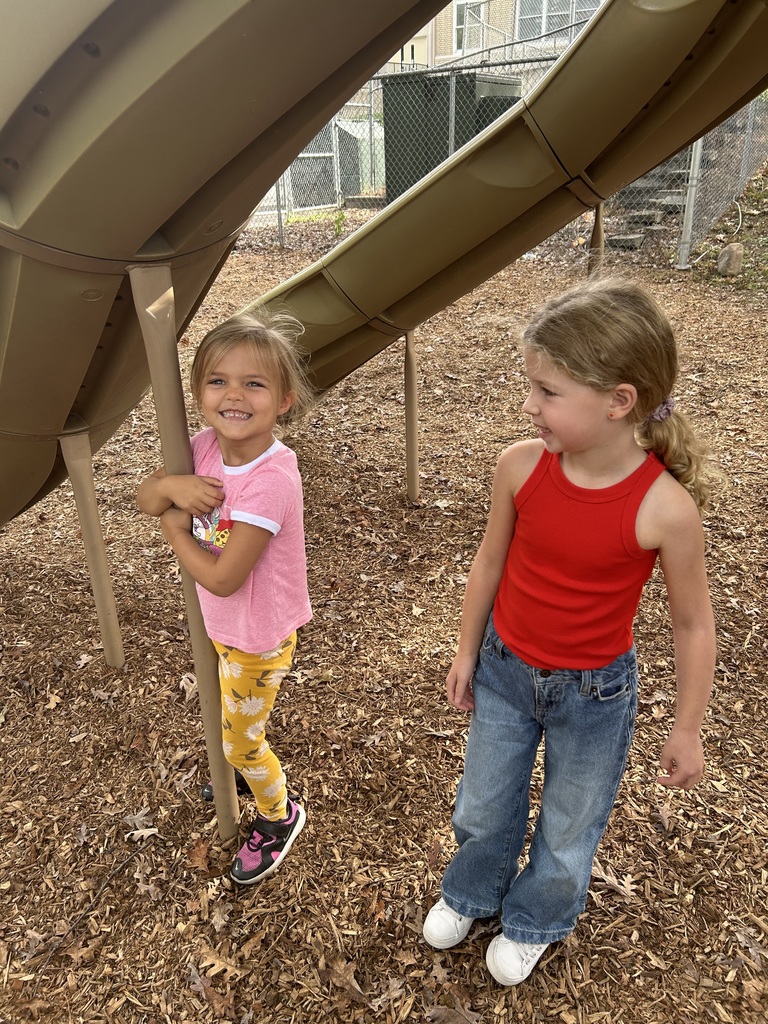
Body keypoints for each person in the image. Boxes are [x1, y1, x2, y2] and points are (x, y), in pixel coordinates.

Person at [422, 277, 718, 986]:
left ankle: (536, 919)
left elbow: (693, 622)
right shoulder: (519, 467)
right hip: (504, 670)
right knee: (484, 802)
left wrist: (688, 726)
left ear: (620, 401)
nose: (530, 406)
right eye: (531, 386)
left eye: (548, 391)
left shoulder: (664, 509)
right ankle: (471, 890)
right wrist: (467, 648)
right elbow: (489, 560)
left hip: (595, 696)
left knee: (568, 825)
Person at [137, 308, 314, 885]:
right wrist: (168, 487)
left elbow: (222, 577)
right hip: (223, 626)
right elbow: (146, 496)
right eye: (219, 380)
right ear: (198, 392)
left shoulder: (272, 481)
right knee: (230, 721)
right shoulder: (203, 448)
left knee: (241, 741)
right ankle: (244, 769)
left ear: (284, 399)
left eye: (254, 383)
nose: (234, 395)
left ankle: (278, 814)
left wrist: (172, 527)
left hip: (256, 635)